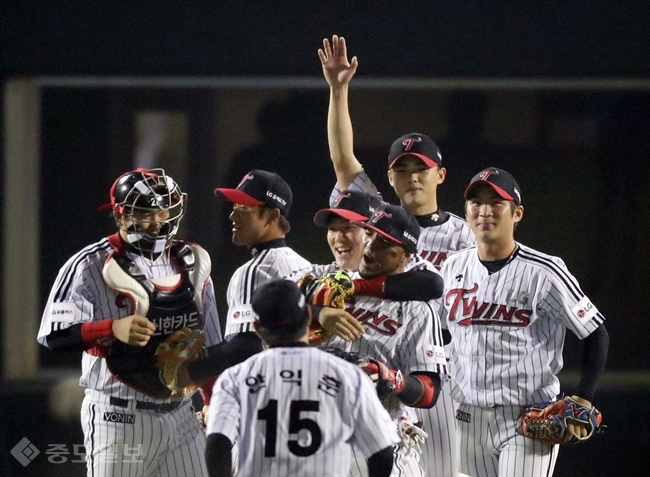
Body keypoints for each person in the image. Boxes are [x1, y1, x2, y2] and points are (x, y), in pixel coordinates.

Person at [319, 34, 474, 476]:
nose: (412, 177)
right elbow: (343, 158)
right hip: (386, 363)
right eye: (401, 170)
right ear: (389, 176)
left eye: (420, 169)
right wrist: (338, 89)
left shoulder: (463, 234)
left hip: (444, 368)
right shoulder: (376, 216)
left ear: (439, 174)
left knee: (445, 471)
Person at [37, 168, 222, 477]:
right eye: (145, 212)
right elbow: (55, 335)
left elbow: (211, 344)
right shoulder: (88, 264)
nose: (158, 220)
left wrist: (211, 397)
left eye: (163, 210)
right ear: (121, 216)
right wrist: (111, 329)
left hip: (181, 414)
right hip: (119, 416)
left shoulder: (192, 261)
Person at [439, 167, 609, 477]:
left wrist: (584, 396)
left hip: (526, 419)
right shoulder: (452, 267)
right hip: (463, 418)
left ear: (517, 213)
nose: (484, 211)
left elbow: (595, 332)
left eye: (496, 203)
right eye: (476, 202)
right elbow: (438, 334)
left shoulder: (544, 271)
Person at [205, 279, 400, 477]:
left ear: (256, 327)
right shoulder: (348, 375)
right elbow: (382, 452)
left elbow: (217, 446)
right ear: (308, 316)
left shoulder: (234, 379)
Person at [320, 204, 449, 477]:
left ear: (406, 255)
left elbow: (429, 392)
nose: (369, 248)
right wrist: (317, 313)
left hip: (382, 442)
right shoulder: (334, 289)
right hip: (324, 441)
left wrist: (392, 378)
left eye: (384, 243)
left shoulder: (417, 311)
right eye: (369, 235)